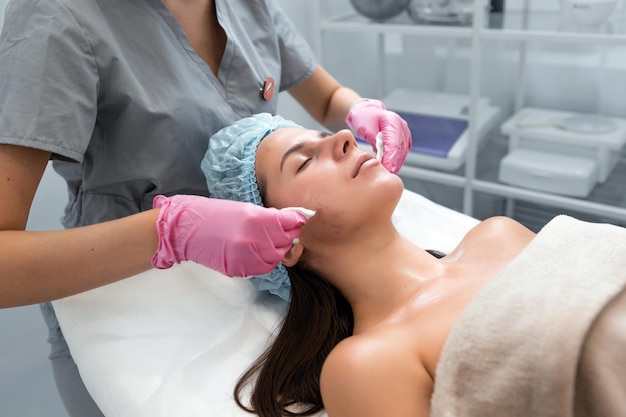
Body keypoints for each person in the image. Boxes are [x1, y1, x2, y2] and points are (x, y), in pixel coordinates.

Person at [0, 0, 411, 415]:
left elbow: (326, 100)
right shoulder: (57, 15)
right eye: (302, 160)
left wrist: (358, 108)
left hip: (238, 288)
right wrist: (168, 230)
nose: (341, 138)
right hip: (122, 307)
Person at [202, 113, 537, 417]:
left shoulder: (498, 235)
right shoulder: (365, 365)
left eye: (325, 134)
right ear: (283, 244)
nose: (345, 136)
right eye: (304, 162)